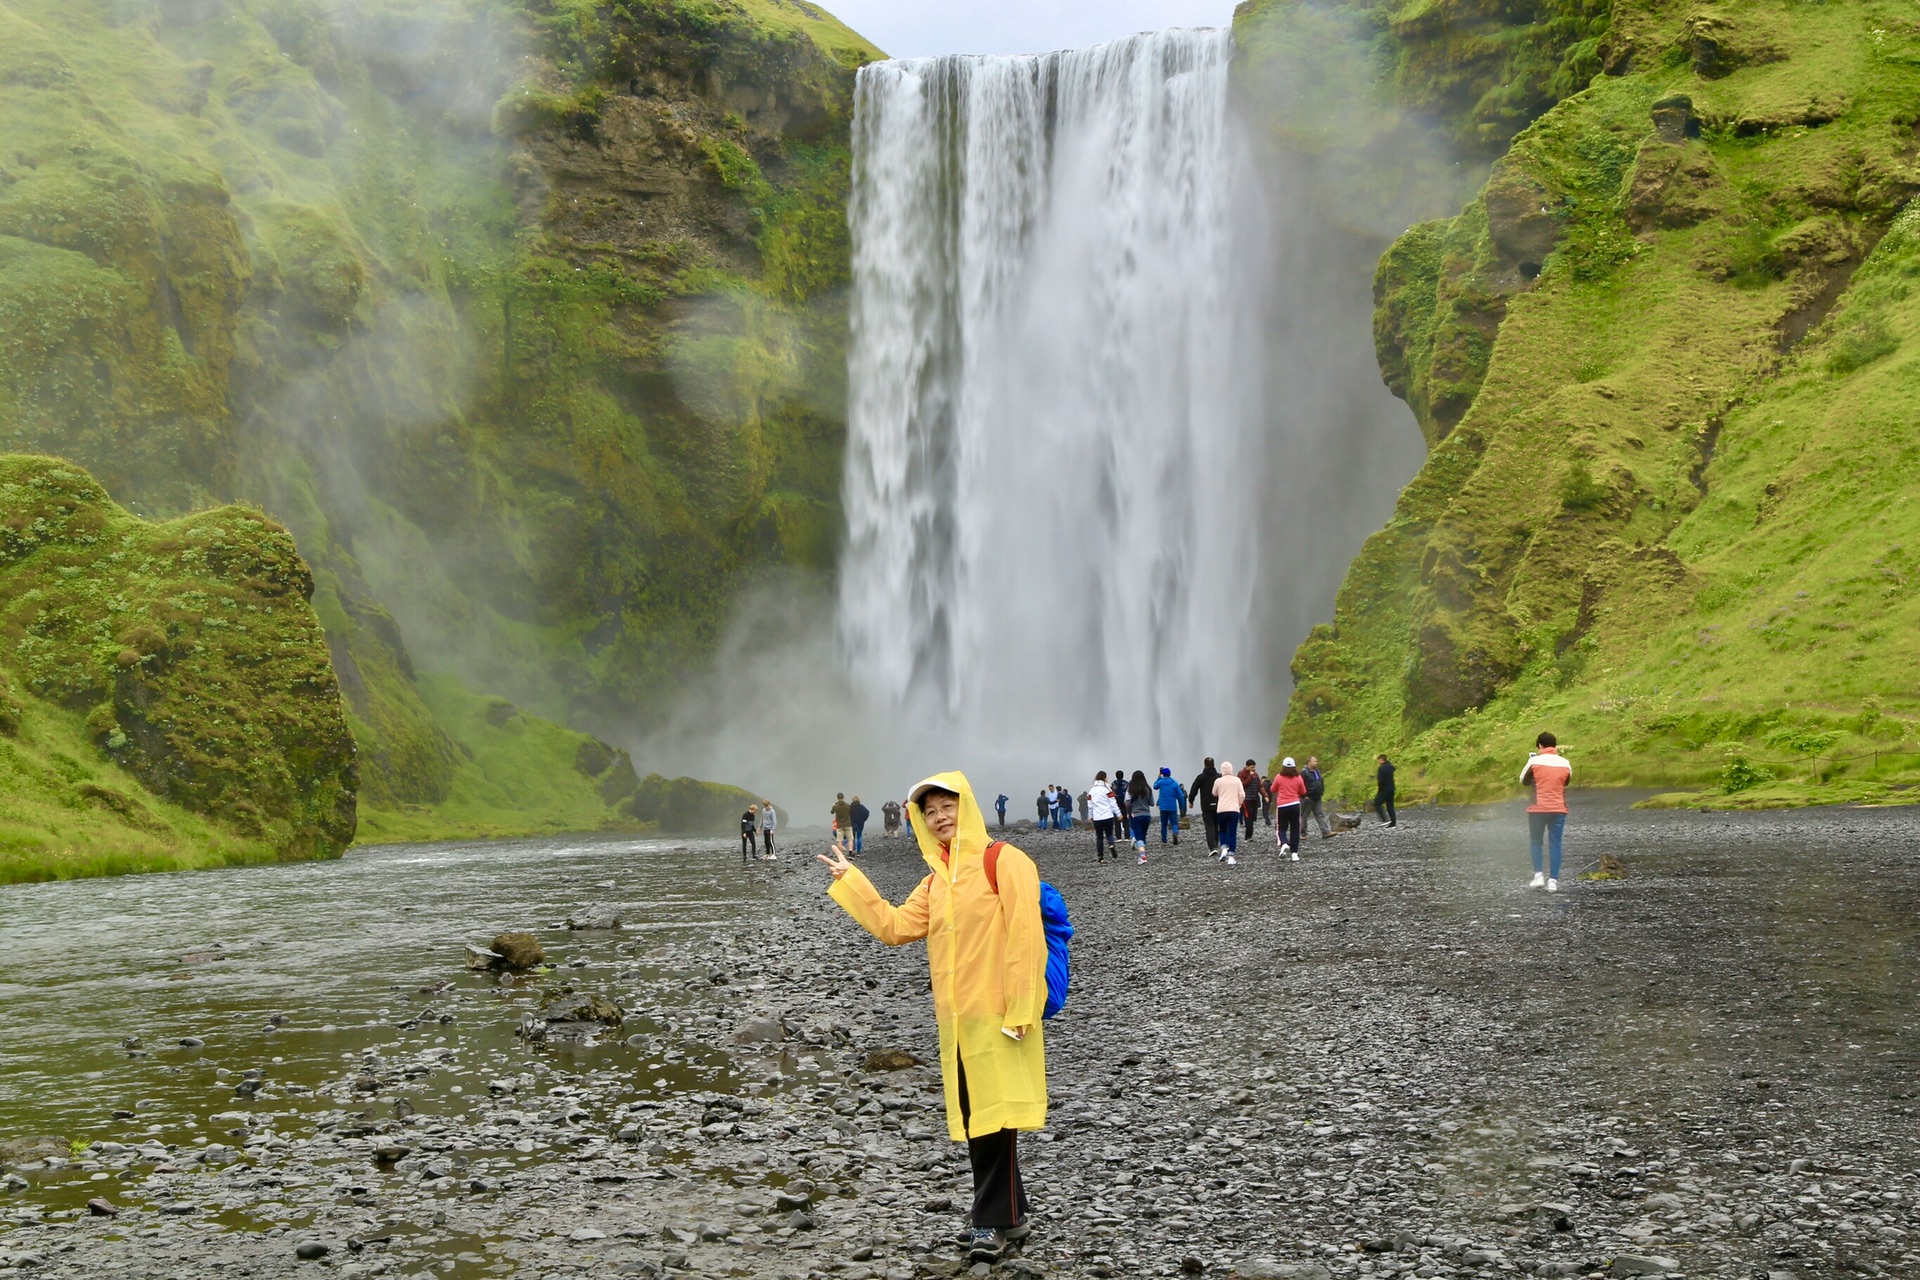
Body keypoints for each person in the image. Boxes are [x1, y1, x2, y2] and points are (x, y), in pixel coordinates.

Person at [819, 775, 1047, 1263]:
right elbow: (897, 928)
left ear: (967, 808)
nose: (939, 816)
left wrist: (1022, 1008)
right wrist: (852, 881)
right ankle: (1012, 1216)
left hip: (1001, 1013)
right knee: (977, 1114)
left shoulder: (1004, 861)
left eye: (948, 806)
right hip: (957, 1021)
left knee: (993, 1118)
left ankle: (990, 1220)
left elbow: (1028, 938)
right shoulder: (935, 881)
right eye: (929, 812)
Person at [1521, 732, 1572, 892]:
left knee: (1536, 841)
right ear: (1555, 746)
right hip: (1558, 808)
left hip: (1538, 808)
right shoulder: (1565, 763)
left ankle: (1538, 876)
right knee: (1555, 843)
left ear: (1539, 745)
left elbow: (1524, 781)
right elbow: (1567, 782)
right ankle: (1553, 881)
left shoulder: (1534, 761)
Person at [1269, 758, 1307, 859]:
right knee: (1295, 829)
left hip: (1282, 806)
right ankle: (1294, 853)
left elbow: (1272, 789)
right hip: (1294, 804)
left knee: (1282, 828)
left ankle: (1284, 842)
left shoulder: (1279, 777)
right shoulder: (1298, 778)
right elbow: (1303, 791)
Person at [1211, 762, 1244, 865]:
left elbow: (1214, 793)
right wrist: (1238, 804)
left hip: (1222, 809)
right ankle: (1231, 856)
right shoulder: (1237, 780)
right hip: (1234, 809)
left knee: (1222, 830)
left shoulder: (1218, 781)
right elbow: (1242, 795)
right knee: (1232, 833)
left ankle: (1224, 847)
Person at [1190, 757, 1222, 853]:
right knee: (1217, 825)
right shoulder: (1219, 777)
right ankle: (1216, 843)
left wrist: (1191, 800)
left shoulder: (1201, 777)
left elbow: (1194, 789)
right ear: (1214, 765)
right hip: (1218, 804)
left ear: (1204, 765)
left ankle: (1212, 847)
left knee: (1209, 826)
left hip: (1206, 805)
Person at [1087, 772, 1120, 862]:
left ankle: (1100, 856)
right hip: (1108, 815)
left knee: (1099, 837)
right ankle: (1111, 844)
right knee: (1109, 834)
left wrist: (1090, 816)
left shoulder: (1092, 791)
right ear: (1104, 778)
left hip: (1097, 817)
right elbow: (1113, 803)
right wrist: (1118, 814)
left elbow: (1090, 805)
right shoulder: (1107, 789)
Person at [1302, 757, 1331, 840]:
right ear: (1309, 762)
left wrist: (1321, 792)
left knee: (1320, 814)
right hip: (1308, 797)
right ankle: (1302, 834)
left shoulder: (1317, 771)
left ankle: (1325, 832)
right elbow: (1301, 784)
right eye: (1314, 761)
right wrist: (1304, 795)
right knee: (1304, 816)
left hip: (1317, 797)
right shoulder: (1304, 772)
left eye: (1316, 761)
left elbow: (1321, 782)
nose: (1316, 762)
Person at [1127, 770, 1153, 860]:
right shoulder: (1148, 789)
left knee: (1139, 837)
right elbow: (1151, 803)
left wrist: (1129, 813)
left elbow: (1128, 803)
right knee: (1143, 835)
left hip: (1136, 815)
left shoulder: (1131, 789)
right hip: (1146, 815)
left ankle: (1142, 856)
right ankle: (1142, 853)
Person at [1153, 767, 1183, 845]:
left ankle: (1164, 841)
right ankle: (1175, 832)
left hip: (1163, 807)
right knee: (1174, 823)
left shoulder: (1161, 782)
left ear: (1163, 774)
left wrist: (1159, 776)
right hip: (1172, 806)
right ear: (1170, 774)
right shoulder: (1174, 783)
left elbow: (1155, 786)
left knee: (1164, 824)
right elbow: (1180, 796)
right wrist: (1182, 807)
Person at [1373, 756, 1397, 827]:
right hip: (1391, 788)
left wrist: (1379, 791)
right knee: (1390, 806)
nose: (1379, 762)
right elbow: (1393, 768)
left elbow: (1380, 781)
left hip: (1384, 789)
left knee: (1377, 803)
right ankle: (1393, 823)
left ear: (1382, 760)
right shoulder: (1391, 767)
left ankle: (1385, 819)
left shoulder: (1381, 768)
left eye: (1379, 760)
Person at [1239, 760, 1261, 834]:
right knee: (1248, 816)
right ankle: (1248, 835)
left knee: (1253, 817)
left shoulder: (1256, 774)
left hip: (1254, 798)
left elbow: (1259, 786)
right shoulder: (1241, 774)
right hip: (1246, 799)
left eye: (1254, 767)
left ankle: (1250, 834)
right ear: (1247, 766)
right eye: (1252, 767)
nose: (1253, 769)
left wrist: (1265, 795)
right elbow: (1243, 785)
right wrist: (1250, 776)